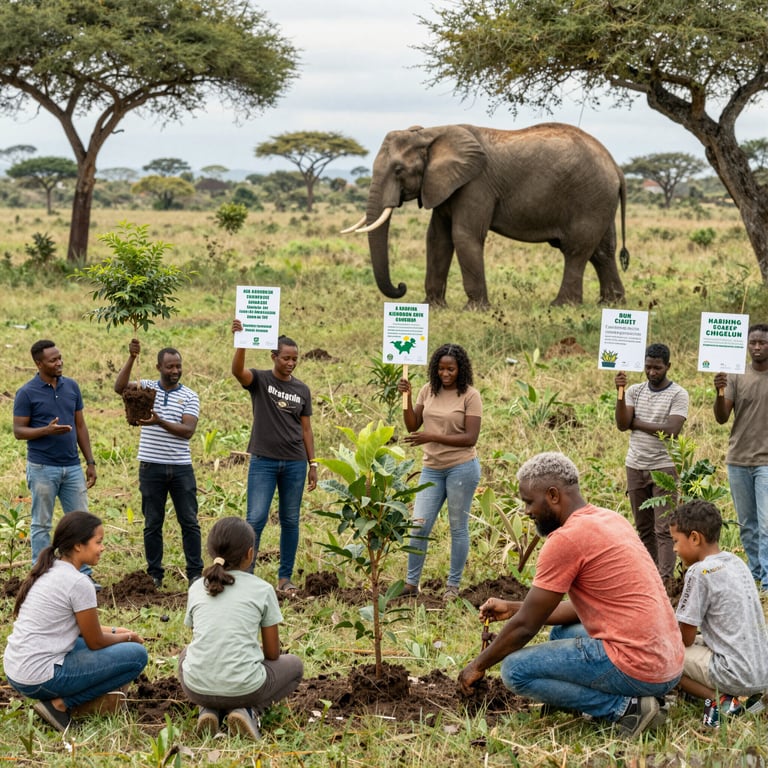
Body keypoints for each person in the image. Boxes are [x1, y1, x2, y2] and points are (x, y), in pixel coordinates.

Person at [458, 452, 684, 738]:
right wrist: (515, 607)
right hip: (667, 661)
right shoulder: (610, 519)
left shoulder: (565, 540)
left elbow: (527, 626)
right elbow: (578, 610)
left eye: (529, 501)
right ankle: (607, 697)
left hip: (640, 667)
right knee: (562, 633)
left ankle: (625, 708)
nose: (527, 511)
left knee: (515, 670)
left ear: (552, 495)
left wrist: (476, 667)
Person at [3, 511, 148, 733]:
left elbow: (79, 628)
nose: (103, 548)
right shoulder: (79, 583)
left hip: (17, 669)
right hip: (39, 676)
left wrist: (118, 630)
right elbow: (95, 641)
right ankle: (60, 705)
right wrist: (128, 637)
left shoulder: (49, 569)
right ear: (79, 546)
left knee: (118, 645)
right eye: (98, 542)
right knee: (137, 656)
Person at [178, 516, 303, 739]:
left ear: (210, 551)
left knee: (185, 654)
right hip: (247, 688)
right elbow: (273, 654)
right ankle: (248, 711)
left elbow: (202, 640)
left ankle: (208, 710)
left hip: (197, 688)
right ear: (249, 554)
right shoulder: (262, 589)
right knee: (294, 666)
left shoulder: (197, 587)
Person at [230, 320, 317, 594]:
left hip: (294, 462)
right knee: (255, 519)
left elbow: (306, 428)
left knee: (290, 519)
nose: (291, 363)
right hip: (263, 461)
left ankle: (284, 579)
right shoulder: (260, 380)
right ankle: (247, 576)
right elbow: (237, 371)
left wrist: (313, 463)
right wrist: (241, 341)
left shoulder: (302, 390)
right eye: (286, 358)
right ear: (274, 357)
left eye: (295, 359)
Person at [670, 500, 768, 727]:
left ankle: (722, 700)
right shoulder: (737, 563)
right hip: (762, 670)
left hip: (735, 675)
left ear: (695, 538)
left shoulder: (698, 571)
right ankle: (752, 699)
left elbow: (684, 638)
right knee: (702, 641)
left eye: (676, 541)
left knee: (666, 658)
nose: (674, 549)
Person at [114, 339, 203, 589]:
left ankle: (195, 573)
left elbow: (187, 431)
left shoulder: (189, 396)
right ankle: (154, 574)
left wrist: (159, 421)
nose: (175, 371)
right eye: (170, 367)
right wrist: (131, 358)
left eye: (178, 366)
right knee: (153, 522)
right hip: (151, 466)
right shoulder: (147, 387)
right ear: (158, 367)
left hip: (180, 467)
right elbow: (119, 387)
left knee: (189, 521)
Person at [396, 343, 482, 601]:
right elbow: (413, 425)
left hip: (461, 468)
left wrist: (432, 436)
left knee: (458, 528)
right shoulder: (427, 391)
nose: (446, 374)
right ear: (435, 369)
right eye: (441, 369)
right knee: (419, 525)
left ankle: (452, 587)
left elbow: (470, 438)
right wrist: (407, 397)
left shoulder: (470, 395)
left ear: (460, 369)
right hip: (431, 469)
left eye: (451, 369)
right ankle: (412, 584)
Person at [13, 339, 99, 586]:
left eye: (60, 357)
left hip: (72, 467)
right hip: (42, 468)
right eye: (53, 360)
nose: (59, 362)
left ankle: (83, 577)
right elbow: (19, 431)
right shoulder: (27, 392)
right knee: (42, 523)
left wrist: (90, 461)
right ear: (39, 363)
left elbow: (80, 425)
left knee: (82, 522)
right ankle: (41, 577)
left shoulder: (71, 386)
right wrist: (46, 431)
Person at [615, 342, 689, 581]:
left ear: (668, 366)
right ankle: (651, 579)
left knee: (664, 529)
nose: (652, 372)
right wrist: (621, 392)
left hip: (664, 467)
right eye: (648, 367)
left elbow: (671, 430)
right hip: (635, 466)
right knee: (644, 529)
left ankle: (665, 581)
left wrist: (635, 423)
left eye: (657, 368)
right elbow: (621, 423)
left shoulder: (678, 394)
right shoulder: (635, 391)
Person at [713, 323, 768, 591]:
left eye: (762, 343)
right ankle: (755, 574)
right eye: (752, 343)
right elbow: (722, 417)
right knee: (747, 524)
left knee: (767, 523)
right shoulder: (735, 374)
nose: (756, 347)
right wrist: (720, 391)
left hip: (766, 462)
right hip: (738, 459)